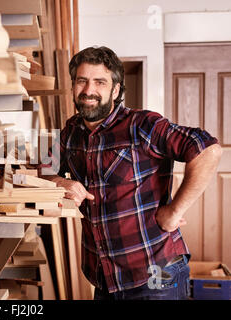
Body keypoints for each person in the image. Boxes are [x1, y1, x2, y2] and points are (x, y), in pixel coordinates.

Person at [44, 46, 222, 300]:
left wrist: (175, 212)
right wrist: (60, 181)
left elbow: (208, 150)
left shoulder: (143, 125)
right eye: (81, 81)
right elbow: (40, 170)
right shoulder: (70, 132)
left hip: (156, 273)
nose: (88, 90)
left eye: (100, 82)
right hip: (104, 278)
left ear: (115, 90)